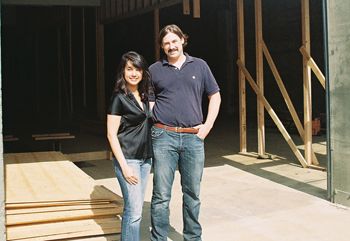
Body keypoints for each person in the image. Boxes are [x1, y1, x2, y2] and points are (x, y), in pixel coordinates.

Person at [149, 24, 221, 241]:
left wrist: (207, 126)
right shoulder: (154, 70)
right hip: (164, 137)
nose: (171, 46)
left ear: (182, 40)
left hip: (193, 137)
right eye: (166, 43)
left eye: (174, 41)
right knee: (161, 195)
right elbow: (149, 100)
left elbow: (215, 96)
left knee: (192, 194)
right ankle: (159, 238)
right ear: (162, 47)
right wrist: (158, 119)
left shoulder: (199, 66)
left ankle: (192, 238)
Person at [107, 51, 153, 241]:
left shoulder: (144, 96)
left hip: (145, 159)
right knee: (134, 213)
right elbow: (111, 134)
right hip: (129, 160)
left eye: (138, 69)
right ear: (123, 72)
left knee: (135, 210)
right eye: (129, 69)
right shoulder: (119, 98)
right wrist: (124, 167)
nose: (134, 73)